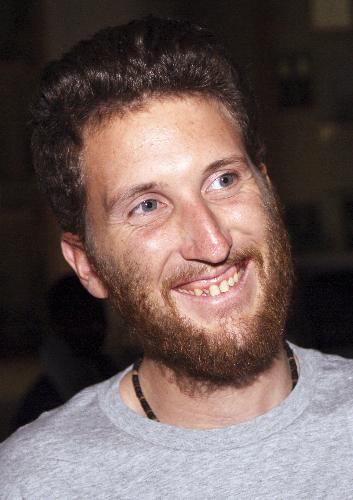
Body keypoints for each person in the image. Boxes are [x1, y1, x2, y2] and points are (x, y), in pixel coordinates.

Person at [1, 16, 352, 499]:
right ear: (87, 265)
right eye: (147, 206)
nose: (212, 244)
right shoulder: (29, 483)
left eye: (223, 180)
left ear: (268, 189)